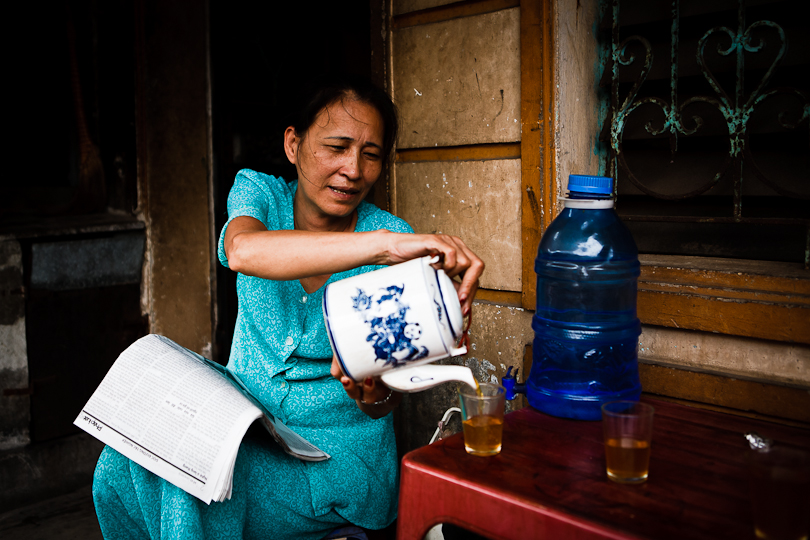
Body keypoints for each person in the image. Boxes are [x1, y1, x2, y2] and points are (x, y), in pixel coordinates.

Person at [92, 74, 484, 540]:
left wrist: (371, 393)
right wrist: (378, 248)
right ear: (293, 144)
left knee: (190, 478)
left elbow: (381, 405)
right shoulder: (261, 194)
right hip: (243, 431)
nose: (353, 170)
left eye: (371, 155)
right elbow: (244, 252)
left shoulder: (392, 236)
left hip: (337, 462)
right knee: (122, 457)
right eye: (336, 147)